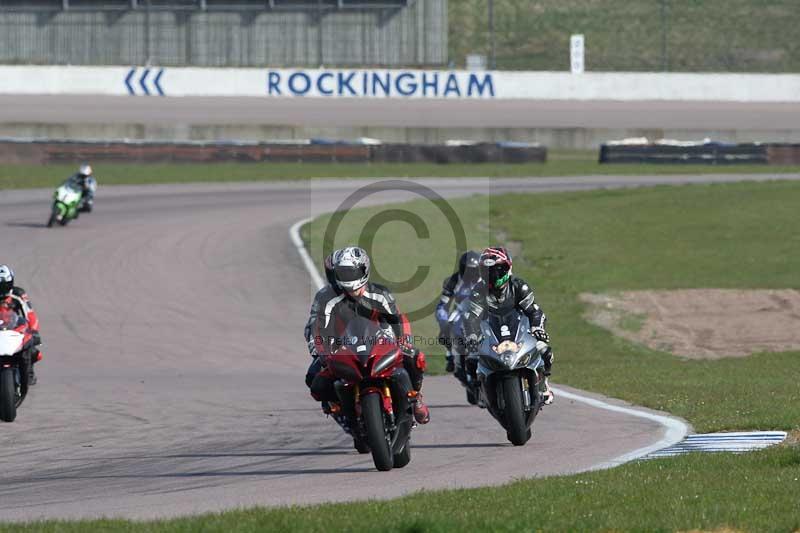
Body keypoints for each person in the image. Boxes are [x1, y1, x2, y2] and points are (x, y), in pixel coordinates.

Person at [309, 246, 430, 425]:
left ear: (364, 270)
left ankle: (416, 396)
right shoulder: (326, 297)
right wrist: (322, 350)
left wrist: (403, 341)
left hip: (381, 339)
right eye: (343, 273)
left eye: (352, 273)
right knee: (314, 378)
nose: (348, 279)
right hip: (343, 343)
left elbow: (397, 319)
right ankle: (337, 406)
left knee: (413, 356)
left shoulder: (380, 293)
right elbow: (318, 327)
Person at [463, 247, 554, 405]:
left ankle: (544, 382)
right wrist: (471, 336)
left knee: (545, 350)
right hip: (491, 335)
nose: (494, 275)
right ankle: (480, 389)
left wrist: (538, 328)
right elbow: (471, 317)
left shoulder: (519, 286)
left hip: (519, 332)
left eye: (498, 270)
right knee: (471, 359)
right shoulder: (478, 292)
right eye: (488, 271)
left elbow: (535, 311)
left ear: (507, 268)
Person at [435, 250, 481, 372]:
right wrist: (444, 321)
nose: (470, 274)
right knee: (444, 331)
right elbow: (442, 306)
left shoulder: (486, 279)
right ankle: (450, 355)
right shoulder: (453, 281)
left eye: (473, 271)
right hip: (461, 311)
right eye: (467, 271)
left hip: (482, 311)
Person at [0, 265, 42, 385]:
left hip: (13, 330)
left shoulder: (18, 294)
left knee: (32, 351)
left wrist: (33, 330)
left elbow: (30, 314)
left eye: (4, 286)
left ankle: (28, 373)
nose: (1, 289)